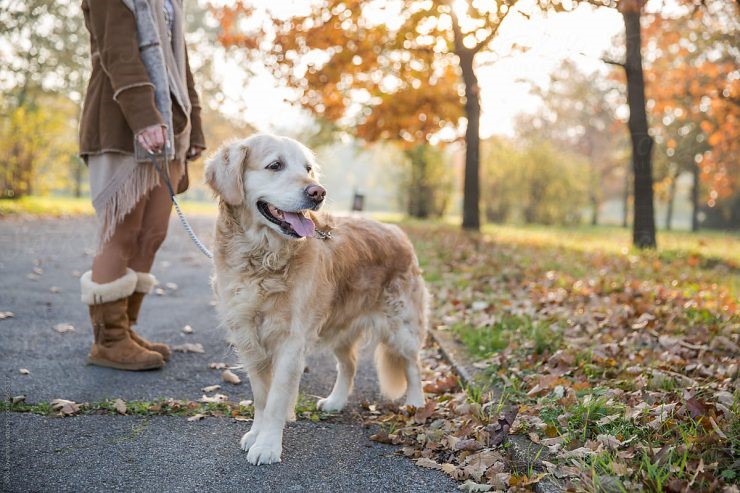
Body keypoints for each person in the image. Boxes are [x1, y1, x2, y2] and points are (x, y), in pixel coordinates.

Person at [78, 0, 206, 371]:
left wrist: (193, 125)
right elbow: (117, 52)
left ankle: (126, 330)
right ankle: (109, 340)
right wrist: (144, 116)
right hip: (121, 122)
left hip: (170, 126)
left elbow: (181, 65)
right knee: (123, 230)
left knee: (152, 233)